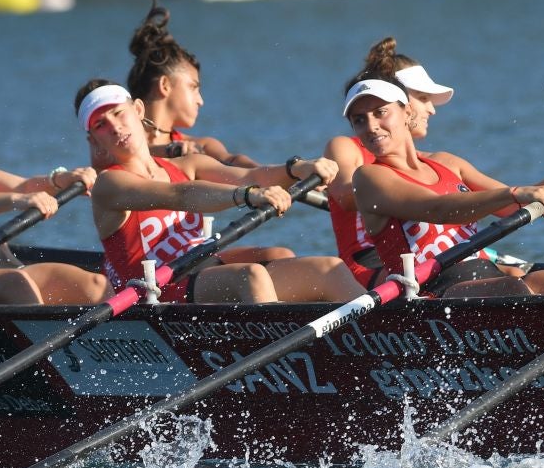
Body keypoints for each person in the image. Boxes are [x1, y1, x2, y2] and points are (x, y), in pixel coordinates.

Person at [75, 80, 364, 304]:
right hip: (154, 293)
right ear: (93, 138)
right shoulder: (109, 185)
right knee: (250, 276)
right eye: (101, 125)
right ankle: (278, 371)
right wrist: (245, 195)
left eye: (118, 114)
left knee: (329, 269)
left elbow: (251, 175)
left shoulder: (186, 164)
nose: (115, 127)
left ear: (138, 110)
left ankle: (385, 347)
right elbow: (180, 195)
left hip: (201, 274)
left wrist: (296, 168)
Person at [344, 76, 544, 297]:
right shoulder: (369, 178)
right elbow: (439, 209)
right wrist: (513, 192)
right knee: (518, 288)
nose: (371, 126)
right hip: (432, 293)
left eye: (381, 112)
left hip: (485, 276)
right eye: (359, 120)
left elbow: (510, 206)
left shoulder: (447, 162)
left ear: (406, 113)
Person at [323, 37, 456, 287]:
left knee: (511, 273)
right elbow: (346, 197)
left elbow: (503, 200)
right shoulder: (346, 147)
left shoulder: (433, 161)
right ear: (401, 99)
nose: (431, 110)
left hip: (416, 255)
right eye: (423, 98)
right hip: (369, 263)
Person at [125, 0, 257, 167]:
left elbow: (231, 161)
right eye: (193, 87)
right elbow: (125, 154)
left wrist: (288, 171)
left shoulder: (203, 147)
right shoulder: (116, 142)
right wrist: (169, 151)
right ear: (165, 85)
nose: (200, 101)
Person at [0, 165, 111, 305]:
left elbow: (24, 187)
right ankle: (36, 326)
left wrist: (57, 180)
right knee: (16, 283)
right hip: (11, 280)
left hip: (11, 269)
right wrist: (15, 199)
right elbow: (19, 195)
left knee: (96, 286)